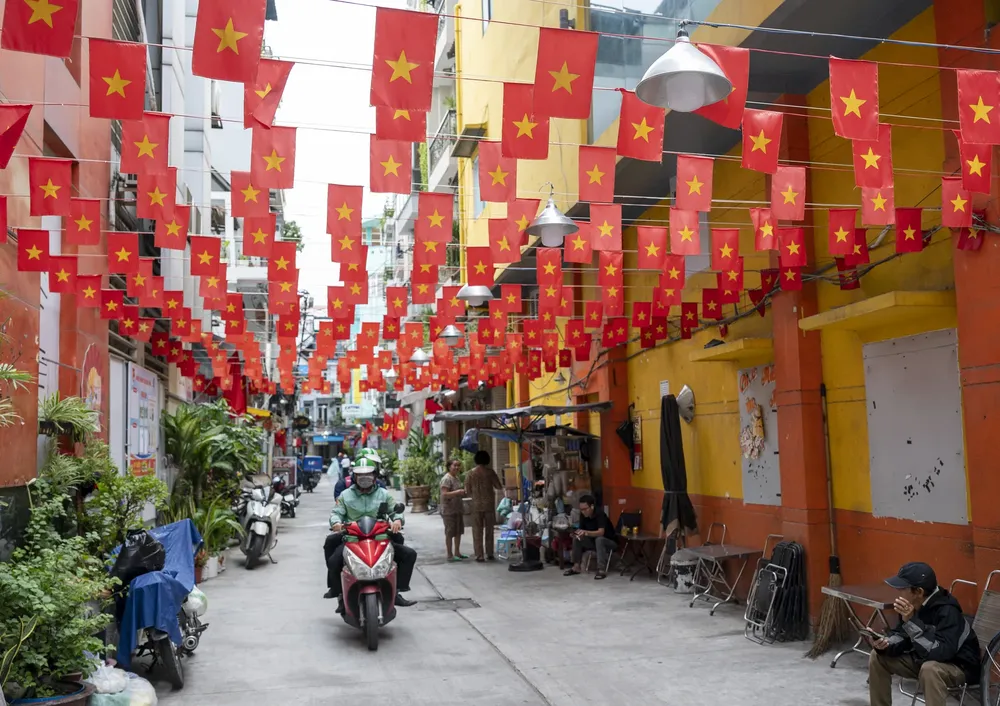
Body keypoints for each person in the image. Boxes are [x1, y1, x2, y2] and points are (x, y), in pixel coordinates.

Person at [868, 562, 980, 706]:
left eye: (902, 588)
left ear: (919, 592)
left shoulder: (947, 611)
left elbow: (940, 653)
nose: (898, 592)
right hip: (923, 659)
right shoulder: (913, 606)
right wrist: (885, 643)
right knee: (877, 656)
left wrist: (911, 623)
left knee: (930, 669)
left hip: (958, 667)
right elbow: (902, 635)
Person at [323, 459, 417, 611]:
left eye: (368, 474)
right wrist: (336, 523)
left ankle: (397, 591)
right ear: (354, 476)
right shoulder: (345, 495)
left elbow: (396, 512)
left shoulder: (384, 494)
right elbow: (336, 513)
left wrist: (397, 521)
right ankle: (338, 592)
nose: (364, 477)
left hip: (380, 538)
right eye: (360, 474)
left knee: (409, 554)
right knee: (334, 561)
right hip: (352, 539)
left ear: (375, 475)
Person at [563, 495, 618, 580]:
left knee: (599, 539)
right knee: (577, 539)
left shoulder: (600, 514)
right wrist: (577, 534)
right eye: (581, 509)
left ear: (592, 506)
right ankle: (576, 566)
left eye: (585, 509)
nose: (583, 511)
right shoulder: (583, 515)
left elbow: (601, 532)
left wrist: (586, 533)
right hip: (593, 542)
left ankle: (601, 569)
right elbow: (581, 530)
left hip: (609, 542)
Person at [464, 450, 502, 562]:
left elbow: (467, 490)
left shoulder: (470, 473)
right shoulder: (490, 472)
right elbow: (498, 486)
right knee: (489, 530)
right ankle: (489, 553)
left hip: (475, 505)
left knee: (477, 530)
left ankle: (479, 555)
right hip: (489, 505)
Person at [439, 459, 467, 562]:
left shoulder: (456, 478)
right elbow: (445, 494)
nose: (457, 467)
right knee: (450, 533)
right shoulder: (446, 479)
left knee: (458, 531)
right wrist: (458, 492)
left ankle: (457, 552)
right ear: (449, 466)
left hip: (457, 509)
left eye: (458, 465)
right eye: (454, 465)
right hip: (448, 510)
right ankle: (450, 555)